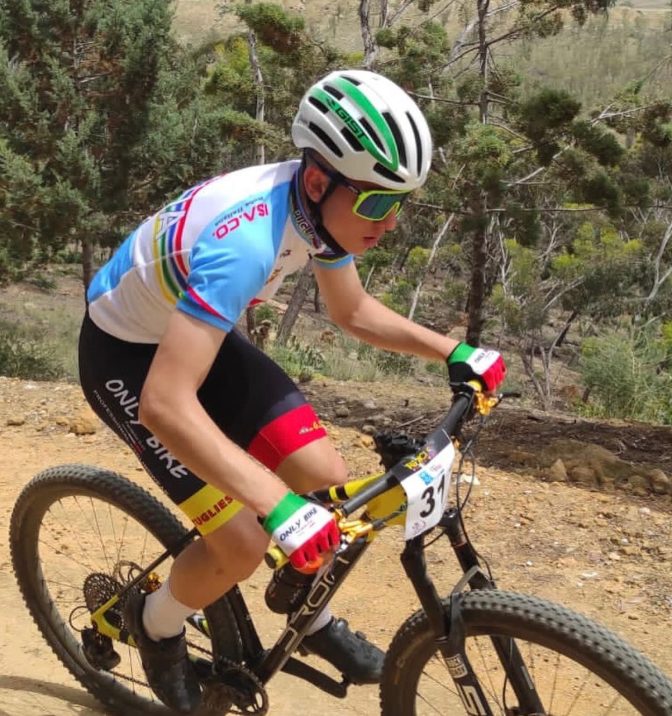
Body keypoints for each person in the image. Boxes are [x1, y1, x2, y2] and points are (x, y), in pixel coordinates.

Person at [79, 68, 506, 713]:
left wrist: (454, 351)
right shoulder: (247, 244)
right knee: (243, 542)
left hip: (193, 333)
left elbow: (351, 310)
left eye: (400, 204)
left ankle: (310, 616)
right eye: (377, 204)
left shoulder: (319, 213)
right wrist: (276, 507)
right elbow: (164, 405)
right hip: (124, 356)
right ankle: (155, 625)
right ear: (317, 180)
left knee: (325, 477)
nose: (390, 222)